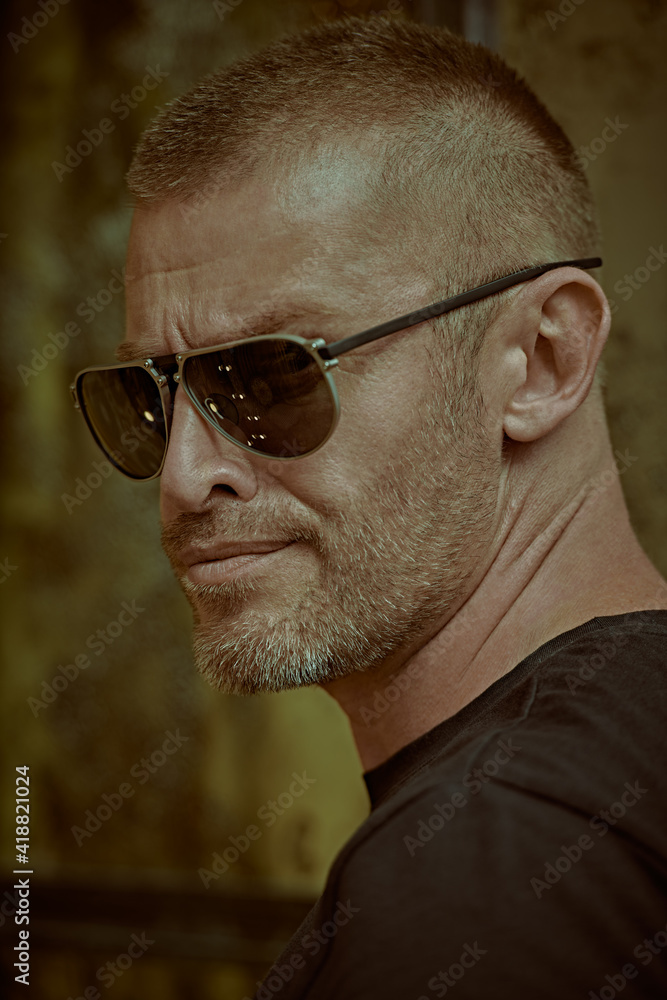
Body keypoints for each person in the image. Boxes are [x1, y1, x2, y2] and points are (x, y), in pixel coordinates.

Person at [70, 15, 667, 999]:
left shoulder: (490, 868)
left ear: (541, 360)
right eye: (147, 395)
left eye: (271, 376)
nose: (182, 476)